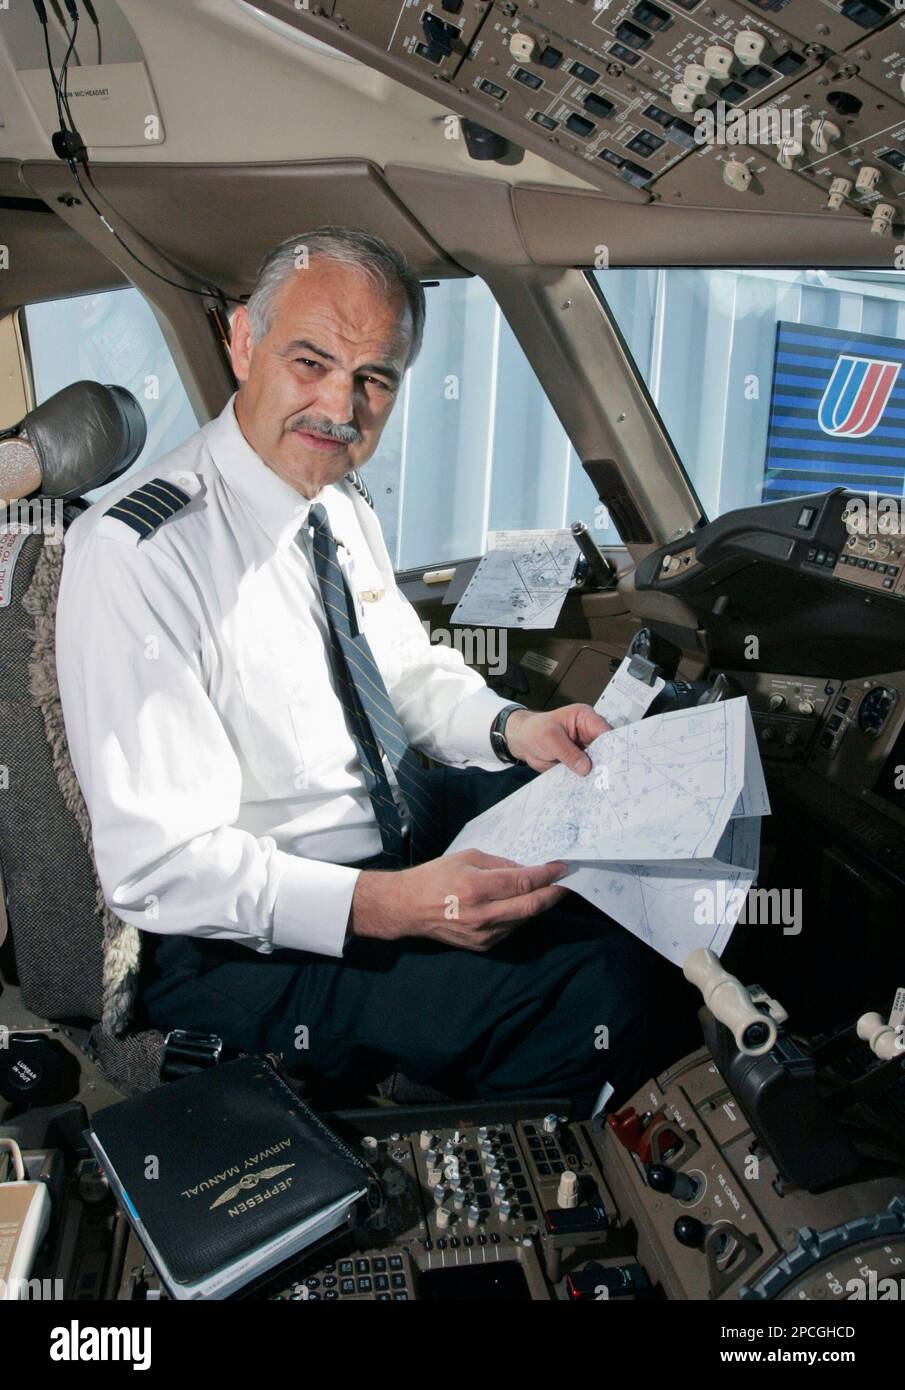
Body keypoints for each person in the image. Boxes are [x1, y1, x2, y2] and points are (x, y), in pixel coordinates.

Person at [56, 227, 657, 1115]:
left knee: (622, 833)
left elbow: (405, 673)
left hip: (400, 827)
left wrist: (510, 729)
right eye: (310, 362)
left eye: (374, 378)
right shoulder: (138, 554)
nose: (340, 407)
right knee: (592, 992)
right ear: (242, 342)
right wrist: (393, 905)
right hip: (254, 938)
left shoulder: (335, 504)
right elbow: (161, 867)